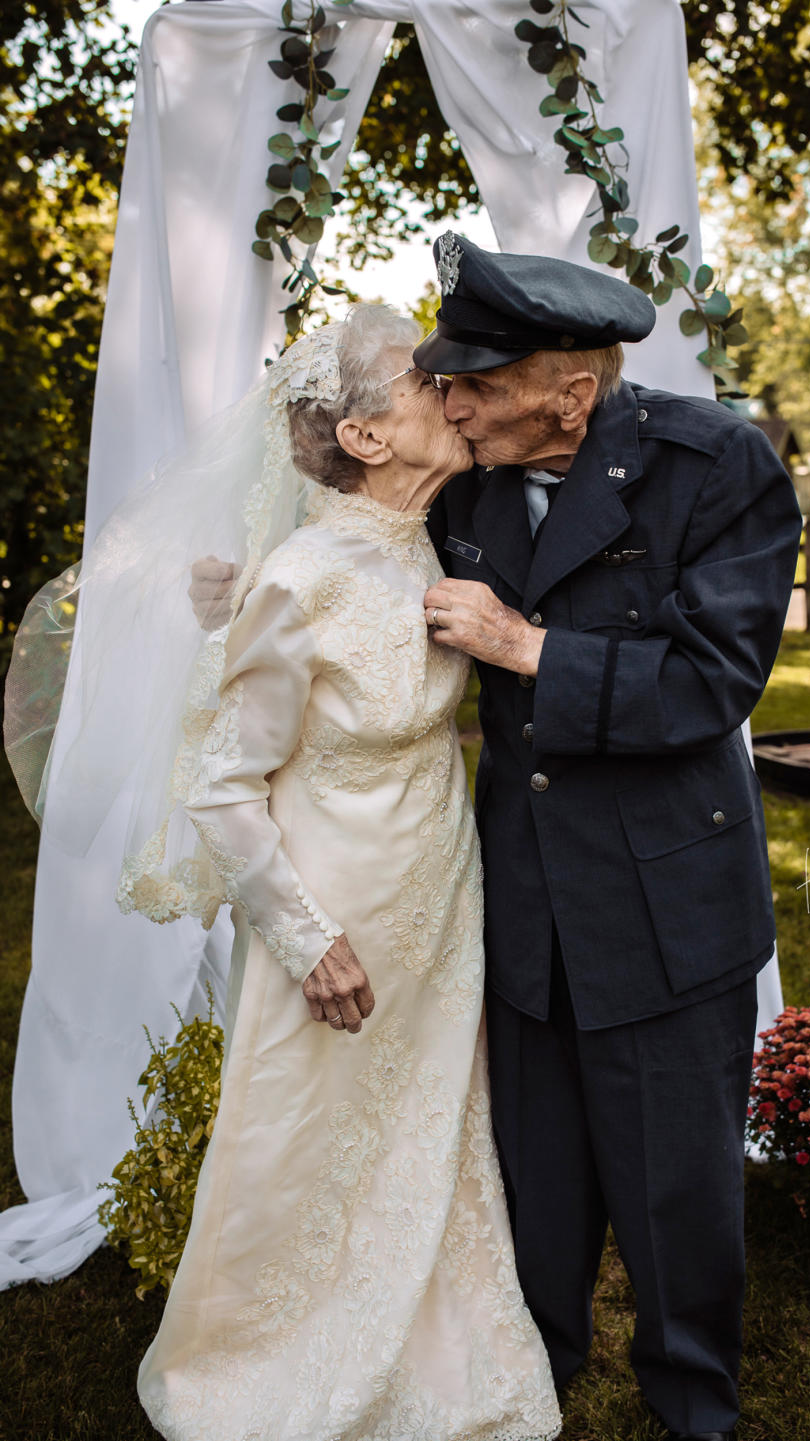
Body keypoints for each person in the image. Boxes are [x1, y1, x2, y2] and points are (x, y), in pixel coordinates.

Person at [10, 304, 561, 1441]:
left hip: (438, 891)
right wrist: (308, 938)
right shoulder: (301, 576)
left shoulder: (434, 537)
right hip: (336, 904)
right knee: (307, 1132)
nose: (454, 391)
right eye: (423, 382)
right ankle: (263, 1365)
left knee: (430, 1126)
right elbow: (224, 784)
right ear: (363, 438)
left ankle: (437, 1347)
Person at [408, 234, 802, 1441]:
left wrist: (527, 648)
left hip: (665, 901)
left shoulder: (718, 464)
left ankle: (694, 1404)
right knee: (539, 1184)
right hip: (523, 895)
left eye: (476, 383)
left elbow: (711, 684)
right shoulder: (462, 480)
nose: (450, 401)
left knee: (677, 1191)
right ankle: (535, 1389)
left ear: (569, 394)